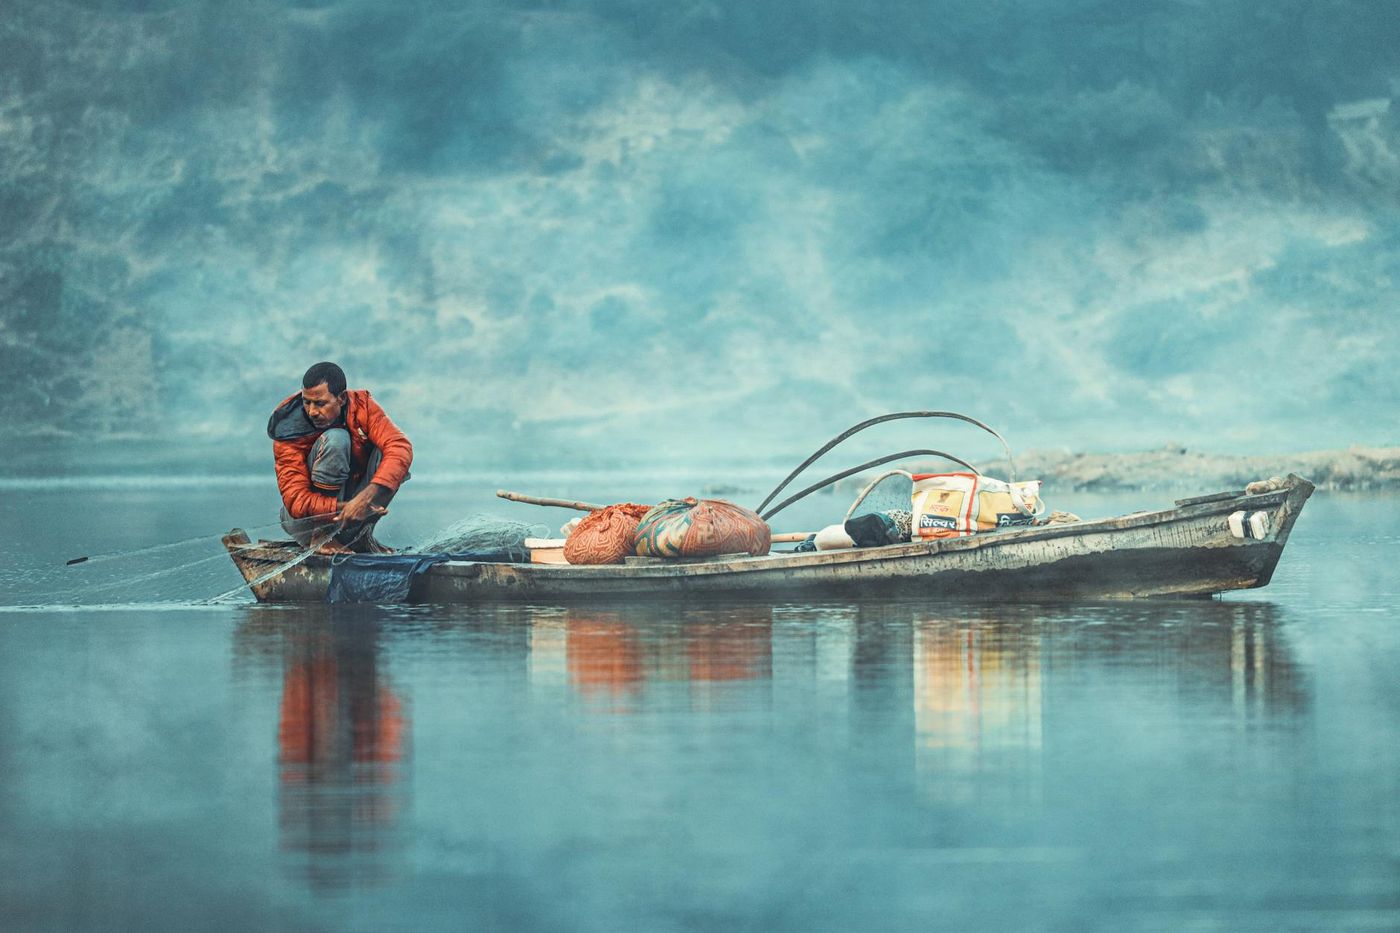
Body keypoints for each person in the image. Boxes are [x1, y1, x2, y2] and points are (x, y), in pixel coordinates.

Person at [268, 362, 413, 552]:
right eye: (306, 402)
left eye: (320, 403)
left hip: (351, 516)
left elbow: (400, 446)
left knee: (392, 460)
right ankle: (322, 537)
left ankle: (362, 536)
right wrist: (343, 507)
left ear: (342, 398)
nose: (311, 411)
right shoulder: (288, 430)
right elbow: (296, 501)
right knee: (337, 439)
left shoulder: (363, 407)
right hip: (305, 523)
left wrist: (364, 499)